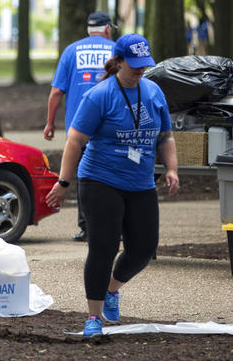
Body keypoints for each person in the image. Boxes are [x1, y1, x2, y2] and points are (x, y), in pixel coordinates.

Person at [45, 33, 179, 337]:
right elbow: (75, 141)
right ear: (118, 61)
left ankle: (112, 288)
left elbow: (166, 136)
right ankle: (93, 318)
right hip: (100, 180)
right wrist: (65, 182)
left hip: (141, 182)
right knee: (103, 248)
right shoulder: (100, 95)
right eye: (134, 65)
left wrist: (171, 168)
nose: (140, 70)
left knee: (143, 250)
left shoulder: (154, 92)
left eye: (144, 65)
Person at [44, 11, 115, 242]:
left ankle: (86, 227)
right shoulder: (116, 51)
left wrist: (50, 123)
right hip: (111, 125)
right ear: (107, 29)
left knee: (84, 175)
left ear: (88, 30)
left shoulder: (71, 51)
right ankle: (115, 226)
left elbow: (56, 92)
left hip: (79, 127)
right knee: (112, 174)